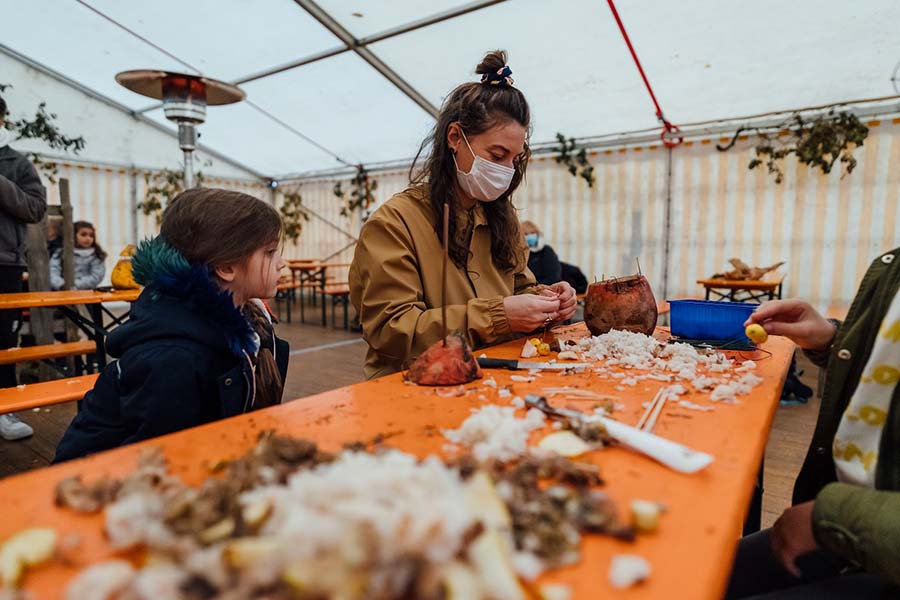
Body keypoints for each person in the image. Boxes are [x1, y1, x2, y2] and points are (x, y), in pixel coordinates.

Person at [349, 51, 577, 379]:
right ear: (455, 137)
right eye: (496, 155)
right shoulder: (394, 224)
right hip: (417, 388)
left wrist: (546, 301)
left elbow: (519, 288)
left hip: (492, 379)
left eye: (514, 159)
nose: (506, 171)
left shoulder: (503, 219)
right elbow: (392, 332)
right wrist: (500, 316)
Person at [54, 188, 289, 461]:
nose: (282, 263)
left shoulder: (250, 323)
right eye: (270, 252)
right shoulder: (173, 360)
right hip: (99, 485)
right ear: (226, 267)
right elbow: (160, 461)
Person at [725, 246, 900, 599]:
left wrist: (837, 515)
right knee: (701, 573)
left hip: (871, 530)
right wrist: (834, 342)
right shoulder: (892, 268)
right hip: (858, 524)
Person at [0, 93, 46, 441]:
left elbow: (35, 208)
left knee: (3, 340)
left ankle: (5, 410)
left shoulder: (16, 163)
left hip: (4, 262)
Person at [49, 220, 106, 290]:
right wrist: (61, 285)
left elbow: (96, 276)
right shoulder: (61, 252)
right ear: (73, 235)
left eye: (91, 235)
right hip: (62, 292)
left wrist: (74, 285)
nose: (88, 238)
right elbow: (53, 270)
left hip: (88, 293)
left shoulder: (95, 255)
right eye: (83, 235)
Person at [521, 220, 561, 286]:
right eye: (526, 234)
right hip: (526, 291)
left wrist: (538, 288)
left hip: (546, 289)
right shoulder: (519, 254)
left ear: (537, 234)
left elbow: (553, 276)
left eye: (532, 233)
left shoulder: (546, 251)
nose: (530, 236)